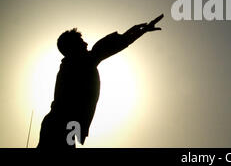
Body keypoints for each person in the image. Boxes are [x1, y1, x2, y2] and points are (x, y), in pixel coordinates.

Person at [37, 14, 164, 148]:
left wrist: (137, 31)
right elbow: (110, 46)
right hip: (59, 126)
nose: (86, 44)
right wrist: (139, 31)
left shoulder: (74, 64)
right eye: (81, 42)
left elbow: (109, 45)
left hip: (61, 126)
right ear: (72, 48)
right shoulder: (78, 63)